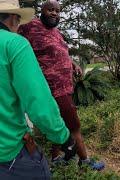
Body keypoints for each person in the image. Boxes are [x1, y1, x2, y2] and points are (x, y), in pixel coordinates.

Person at [18, 0, 105, 170]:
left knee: (59, 121)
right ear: (41, 11)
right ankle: (85, 161)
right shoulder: (30, 27)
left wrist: (73, 64)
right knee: (74, 126)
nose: (55, 13)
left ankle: (56, 157)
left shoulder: (56, 32)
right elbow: (12, 37)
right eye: (50, 10)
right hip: (52, 88)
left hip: (66, 86)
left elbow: (61, 52)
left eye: (58, 11)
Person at [0, 0, 76, 179]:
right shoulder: (15, 44)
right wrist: (63, 137)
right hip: (8, 152)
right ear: (13, 18)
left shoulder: (57, 34)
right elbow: (39, 104)